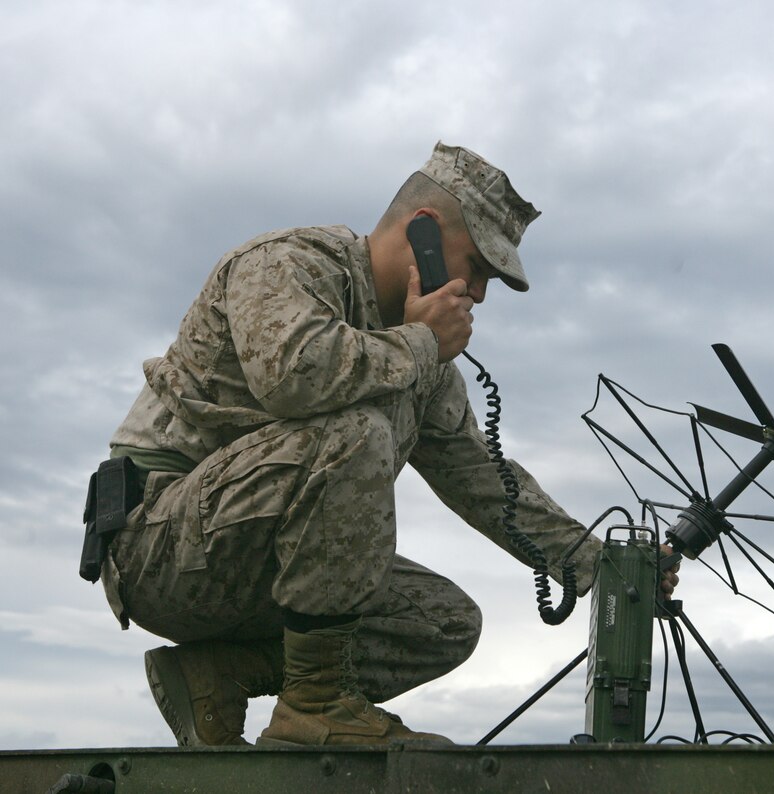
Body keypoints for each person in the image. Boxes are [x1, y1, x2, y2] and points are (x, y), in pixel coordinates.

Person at [98, 141, 679, 747]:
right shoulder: (286, 264)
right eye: (476, 266)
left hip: (252, 570)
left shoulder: (414, 351)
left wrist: (602, 566)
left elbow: (480, 478)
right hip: (156, 549)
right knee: (355, 432)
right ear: (424, 232)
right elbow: (295, 376)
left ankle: (220, 675)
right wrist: (422, 344)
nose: (477, 293)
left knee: (445, 622)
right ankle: (315, 705)